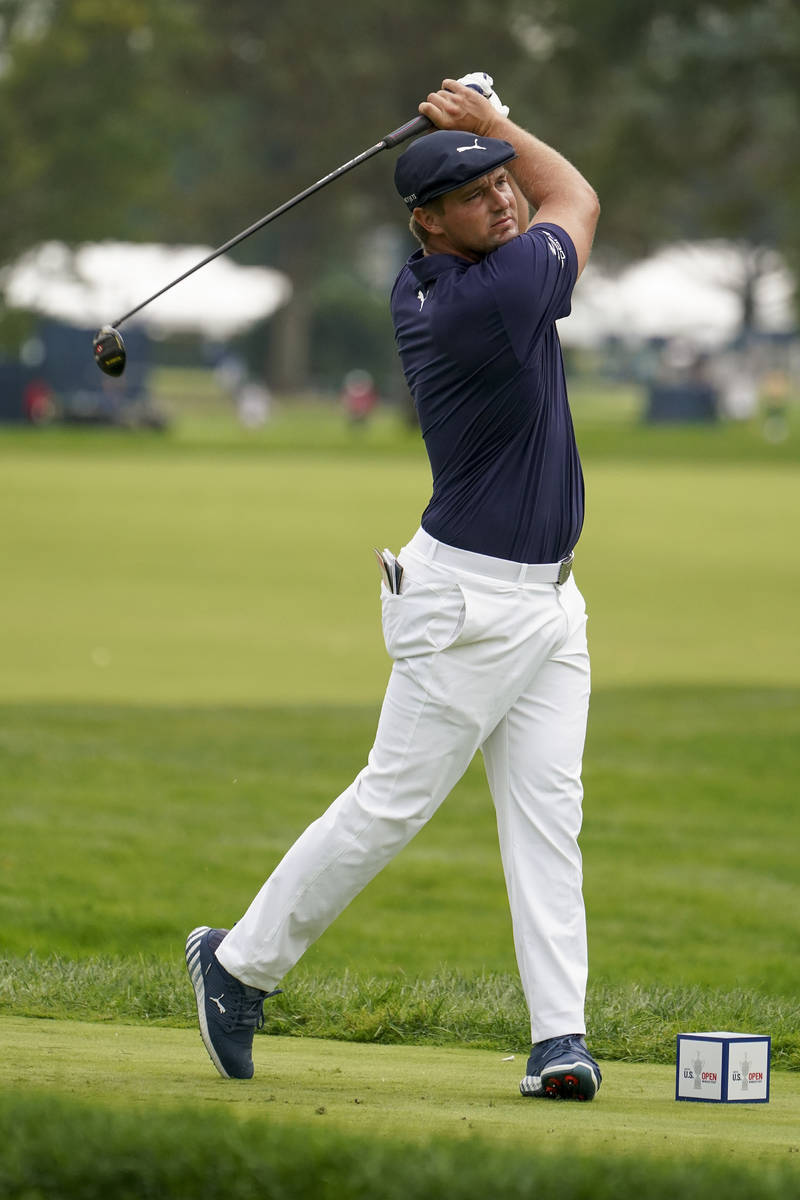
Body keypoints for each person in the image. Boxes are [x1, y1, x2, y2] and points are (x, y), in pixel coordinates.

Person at [186, 76, 602, 1102]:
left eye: (500, 184)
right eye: (473, 195)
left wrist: (484, 137)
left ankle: (559, 1038)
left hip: (551, 604)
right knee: (391, 805)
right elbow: (577, 199)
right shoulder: (487, 299)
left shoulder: (456, 275)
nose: (500, 200)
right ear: (428, 224)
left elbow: (540, 202)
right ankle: (237, 966)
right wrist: (494, 122)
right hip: (466, 607)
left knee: (548, 816)